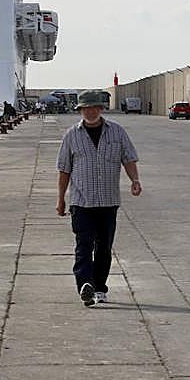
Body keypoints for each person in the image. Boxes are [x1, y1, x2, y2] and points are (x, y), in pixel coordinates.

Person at [55, 90, 141, 307]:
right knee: (83, 245)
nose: (90, 111)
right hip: (81, 202)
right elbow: (64, 170)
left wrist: (135, 180)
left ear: (101, 109)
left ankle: (100, 288)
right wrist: (61, 199)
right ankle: (85, 284)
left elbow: (129, 158)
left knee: (104, 247)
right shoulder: (71, 135)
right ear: (81, 110)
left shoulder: (117, 132)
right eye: (86, 108)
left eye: (94, 108)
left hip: (108, 201)